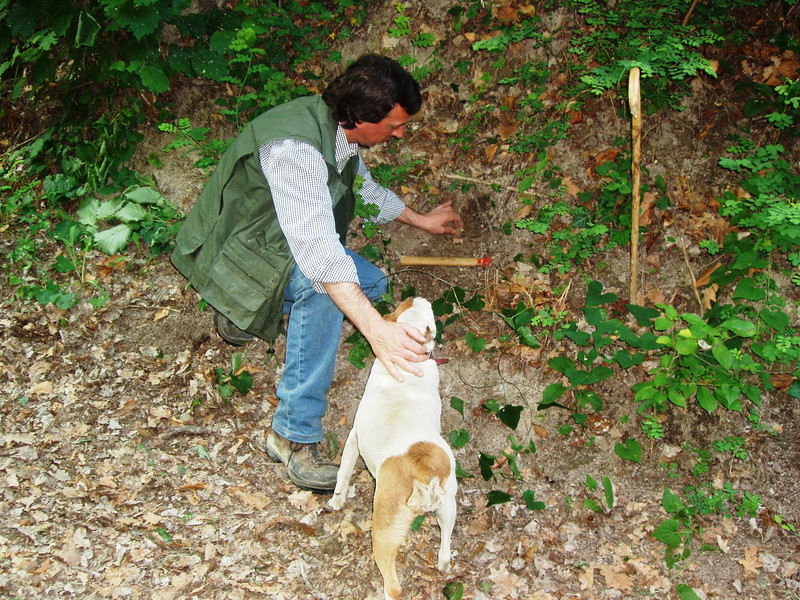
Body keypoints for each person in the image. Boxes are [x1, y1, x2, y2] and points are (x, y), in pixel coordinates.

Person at [171, 54, 462, 492]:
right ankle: (292, 435)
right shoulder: (296, 149)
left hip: (275, 243)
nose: (400, 133)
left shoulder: (338, 130)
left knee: (372, 284)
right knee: (326, 290)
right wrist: (376, 333)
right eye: (395, 125)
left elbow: (361, 186)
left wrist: (419, 219)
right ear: (362, 117)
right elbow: (322, 257)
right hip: (239, 252)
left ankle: (243, 314)